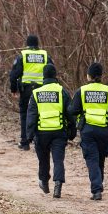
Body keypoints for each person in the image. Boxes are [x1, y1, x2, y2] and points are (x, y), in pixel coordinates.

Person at [68, 62, 108, 201]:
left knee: (92, 159)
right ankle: (99, 184)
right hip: (104, 131)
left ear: (88, 75)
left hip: (88, 130)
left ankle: (96, 189)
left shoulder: (82, 90)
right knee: (100, 159)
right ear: (101, 75)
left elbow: (72, 110)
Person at [27, 64, 76, 199]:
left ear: (43, 76)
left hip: (41, 133)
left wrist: (29, 135)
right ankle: (58, 184)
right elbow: (70, 113)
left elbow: (31, 115)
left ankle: (44, 181)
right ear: (55, 76)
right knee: (58, 159)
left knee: (43, 160)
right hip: (59, 132)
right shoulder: (62, 92)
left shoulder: (36, 93)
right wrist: (73, 130)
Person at [8, 35, 54, 151]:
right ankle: (39, 141)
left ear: (27, 44)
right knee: (41, 115)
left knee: (25, 114)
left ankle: (25, 142)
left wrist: (13, 90)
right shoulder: (45, 55)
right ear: (37, 44)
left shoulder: (22, 55)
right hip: (42, 90)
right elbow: (52, 71)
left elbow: (14, 75)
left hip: (26, 90)